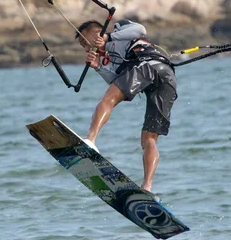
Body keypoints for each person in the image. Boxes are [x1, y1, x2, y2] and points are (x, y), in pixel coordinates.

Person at [75, 18, 177, 193]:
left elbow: (140, 29)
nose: (86, 49)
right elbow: (117, 80)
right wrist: (98, 66)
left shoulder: (119, 31)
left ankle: (90, 139)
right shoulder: (109, 58)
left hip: (149, 66)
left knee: (108, 100)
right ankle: (147, 187)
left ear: (95, 34)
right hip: (166, 77)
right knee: (149, 139)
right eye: (83, 47)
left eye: (85, 42)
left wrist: (107, 37)